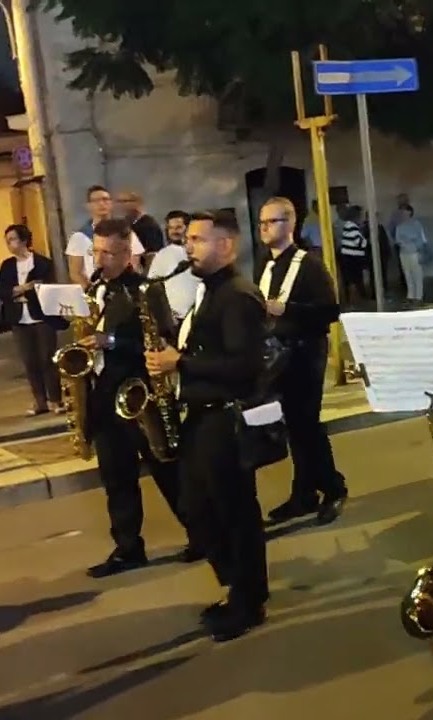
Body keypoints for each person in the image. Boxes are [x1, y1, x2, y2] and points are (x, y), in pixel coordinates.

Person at [147, 210, 269, 642]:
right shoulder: (209, 290)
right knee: (198, 507)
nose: (189, 247)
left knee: (235, 512)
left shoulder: (237, 296)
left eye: (198, 239)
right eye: (189, 239)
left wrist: (180, 362)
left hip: (224, 418)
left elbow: (244, 366)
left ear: (226, 245)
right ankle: (237, 587)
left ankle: (248, 601)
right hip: (201, 415)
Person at [80, 220, 196, 578]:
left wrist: (112, 342)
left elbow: (164, 339)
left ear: (127, 253)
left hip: (139, 393)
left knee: (167, 472)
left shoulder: (146, 291)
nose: (100, 259)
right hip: (104, 395)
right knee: (116, 478)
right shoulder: (95, 289)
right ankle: (128, 548)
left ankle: (202, 535)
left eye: (108, 252)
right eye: (96, 251)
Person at [253, 197, 348, 526]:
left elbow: (331, 310)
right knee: (294, 427)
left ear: (290, 224)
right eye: (262, 222)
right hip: (277, 354)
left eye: (272, 221)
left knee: (307, 424)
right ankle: (304, 493)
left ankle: (333, 488)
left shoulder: (309, 264)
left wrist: (286, 310)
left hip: (306, 352)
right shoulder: (264, 265)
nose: (265, 228)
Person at [0, 224, 63, 416]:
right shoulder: (7, 266)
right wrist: (23, 289)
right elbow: (2, 291)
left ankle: (55, 400)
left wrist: (23, 292)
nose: (9, 244)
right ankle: (39, 401)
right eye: (7, 241)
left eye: (13, 239)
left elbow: (46, 288)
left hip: (42, 317)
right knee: (29, 361)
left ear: (24, 240)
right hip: (19, 318)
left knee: (47, 359)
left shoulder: (42, 263)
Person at [65, 185, 146, 287]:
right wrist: (91, 291)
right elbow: (75, 273)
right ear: (88, 206)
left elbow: (134, 263)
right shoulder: (79, 237)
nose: (102, 204)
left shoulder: (127, 233)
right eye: (96, 201)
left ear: (111, 203)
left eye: (105, 199)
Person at [393, 204, 428, 306]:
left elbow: (422, 239)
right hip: (403, 253)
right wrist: (405, 242)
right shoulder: (399, 226)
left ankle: (419, 297)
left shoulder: (416, 224)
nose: (403, 214)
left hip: (414, 252)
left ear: (410, 212)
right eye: (401, 212)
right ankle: (411, 296)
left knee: (417, 275)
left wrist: (418, 248)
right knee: (407, 275)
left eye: (404, 212)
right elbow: (397, 239)